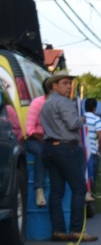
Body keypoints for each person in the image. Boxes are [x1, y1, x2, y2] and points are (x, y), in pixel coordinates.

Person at [38, 71, 95, 242]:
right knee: (79, 188)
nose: (69, 86)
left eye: (69, 83)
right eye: (64, 83)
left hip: (49, 147)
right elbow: (72, 123)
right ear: (54, 86)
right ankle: (76, 230)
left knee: (57, 191)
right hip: (65, 148)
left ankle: (58, 230)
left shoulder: (46, 103)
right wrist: (82, 120)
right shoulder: (64, 102)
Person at [25, 79, 51, 207]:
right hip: (36, 139)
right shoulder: (37, 103)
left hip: (54, 139)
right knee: (41, 152)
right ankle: (39, 189)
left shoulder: (62, 104)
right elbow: (29, 129)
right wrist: (45, 140)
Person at [83, 98, 101, 202]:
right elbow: (100, 137)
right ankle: (90, 197)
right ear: (94, 108)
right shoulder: (97, 119)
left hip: (82, 151)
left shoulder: (81, 118)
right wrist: (99, 149)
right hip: (92, 152)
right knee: (92, 175)